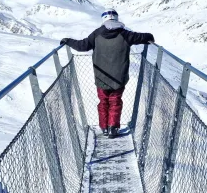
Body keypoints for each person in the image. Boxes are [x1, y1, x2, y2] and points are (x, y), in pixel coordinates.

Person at [60, 9, 154, 138]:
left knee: (103, 101)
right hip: (119, 77)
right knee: (115, 102)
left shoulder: (97, 34)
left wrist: (68, 41)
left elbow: (82, 45)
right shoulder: (125, 34)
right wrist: (150, 37)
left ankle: (104, 127)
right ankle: (113, 128)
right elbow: (142, 37)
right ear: (116, 18)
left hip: (101, 76)